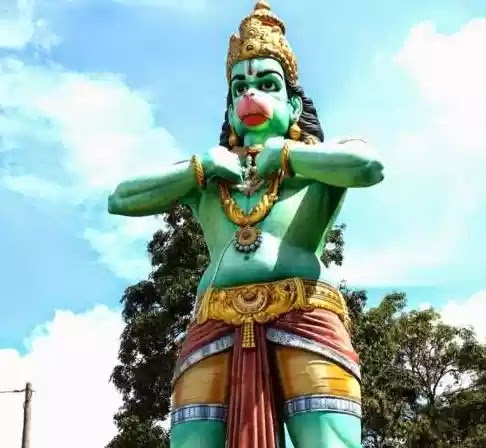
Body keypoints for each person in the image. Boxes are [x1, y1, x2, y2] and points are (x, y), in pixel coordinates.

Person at [108, 2, 384, 447]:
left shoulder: (318, 164)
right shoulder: (210, 176)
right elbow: (120, 198)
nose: (250, 95)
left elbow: (369, 166)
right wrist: (198, 169)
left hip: (305, 314)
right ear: (230, 109)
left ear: (293, 104)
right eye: (240, 87)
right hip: (214, 319)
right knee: (192, 439)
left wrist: (289, 156)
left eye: (267, 84)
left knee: (329, 441)